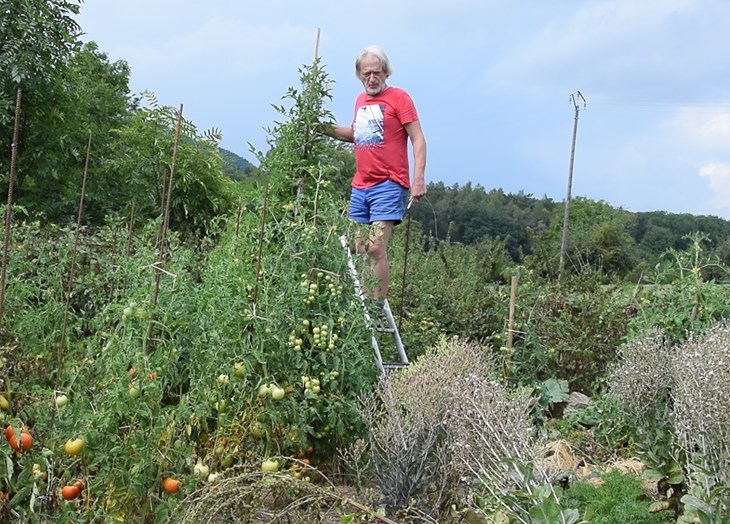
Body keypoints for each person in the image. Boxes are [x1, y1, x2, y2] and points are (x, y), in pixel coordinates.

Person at [323, 45, 427, 304]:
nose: (372, 78)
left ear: (386, 73)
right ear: (359, 75)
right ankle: (362, 303)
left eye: (377, 73)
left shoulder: (400, 98)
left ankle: (377, 305)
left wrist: (419, 179)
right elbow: (358, 135)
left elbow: (418, 139)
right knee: (359, 248)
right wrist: (322, 128)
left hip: (389, 184)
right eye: (366, 73)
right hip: (361, 186)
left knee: (376, 247)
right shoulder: (360, 102)